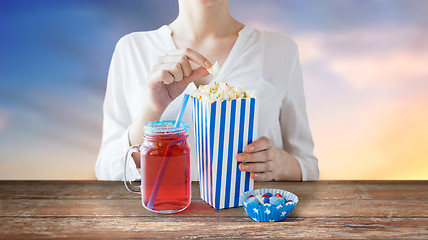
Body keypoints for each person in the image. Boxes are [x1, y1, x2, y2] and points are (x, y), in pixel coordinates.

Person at [96, 0, 319, 182]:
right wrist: (153, 109)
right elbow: (108, 171)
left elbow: (308, 166)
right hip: (165, 224)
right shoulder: (132, 49)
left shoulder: (280, 49)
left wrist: (280, 165)